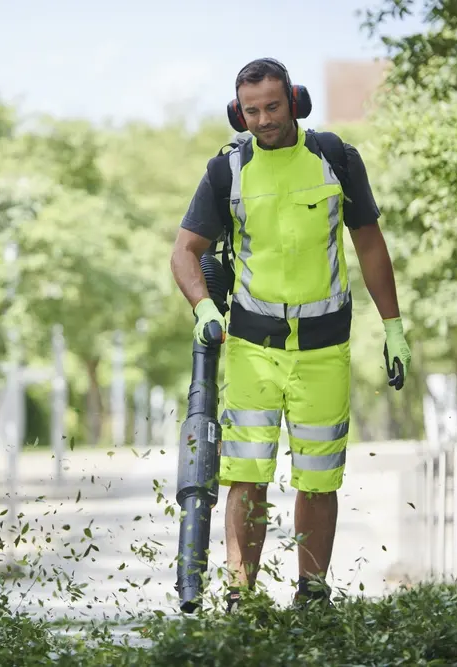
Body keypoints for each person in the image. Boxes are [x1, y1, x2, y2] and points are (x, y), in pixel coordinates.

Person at [170, 58, 411, 612]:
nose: (262, 119)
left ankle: (313, 593)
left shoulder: (335, 158)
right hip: (254, 348)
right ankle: (242, 595)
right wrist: (203, 306)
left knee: (319, 478)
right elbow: (184, 251)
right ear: (238, 112)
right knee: (246, 475)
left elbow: (370, 243)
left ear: (295, 101)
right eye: (250, 111)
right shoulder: (226, 171)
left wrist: (393, 326)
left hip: (325, 347)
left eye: (272, 107)